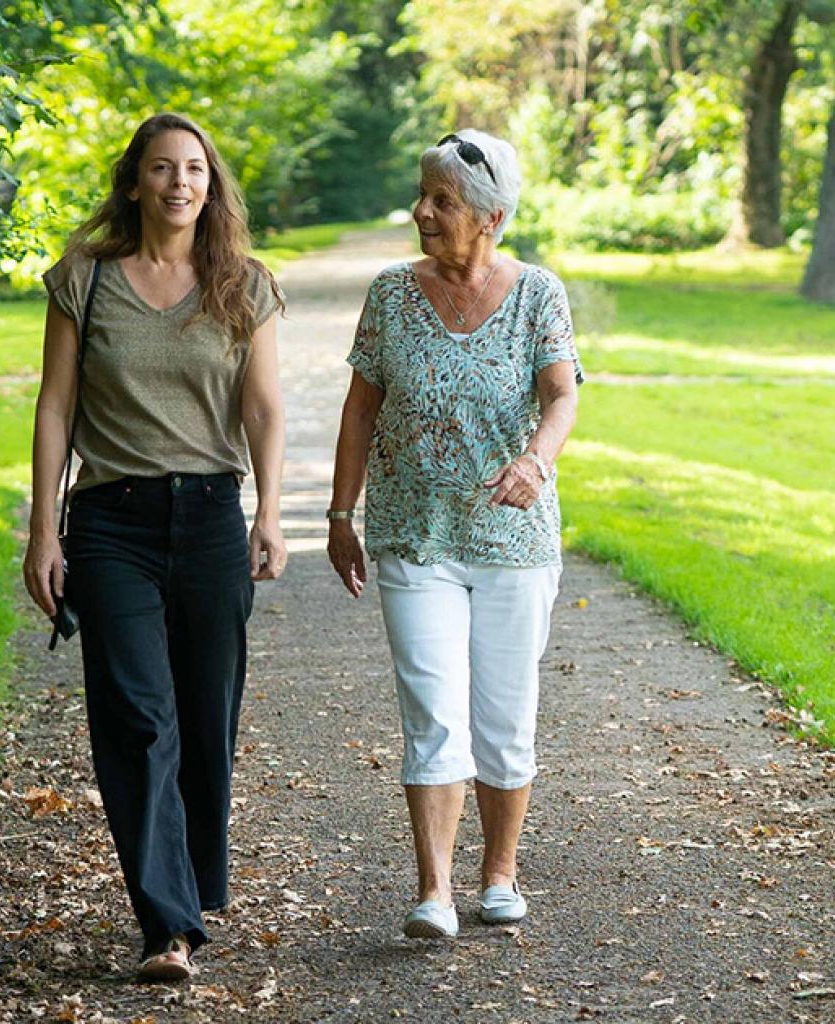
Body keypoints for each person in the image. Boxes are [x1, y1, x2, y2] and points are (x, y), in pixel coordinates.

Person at [22, 112, 287, 981]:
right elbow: (56, 407)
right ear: (134, 180)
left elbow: (263, 409)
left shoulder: (244, 284)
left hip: (211, 516)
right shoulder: (84, 281)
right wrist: (41, 531)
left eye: (196, 171)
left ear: (212, 187)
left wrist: (271, 512)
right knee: (139, 720)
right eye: (163, 168)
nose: (180, 184)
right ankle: (167, 927)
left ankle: (192, 882)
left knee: (205, 723)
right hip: (111, 525)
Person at [327, 129, 581, 938]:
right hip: (414, 534)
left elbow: (562, 396)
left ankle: (498, 875)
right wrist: (339, 514)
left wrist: (537, 462)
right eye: (423, 195)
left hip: (514, 543)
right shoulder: (392, 292)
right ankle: (433, 890)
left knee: (506, 717)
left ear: (491, 216)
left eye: (442, 202)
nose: (421, 212)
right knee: (433, 712)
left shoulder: (539, 292)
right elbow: (361, 408)